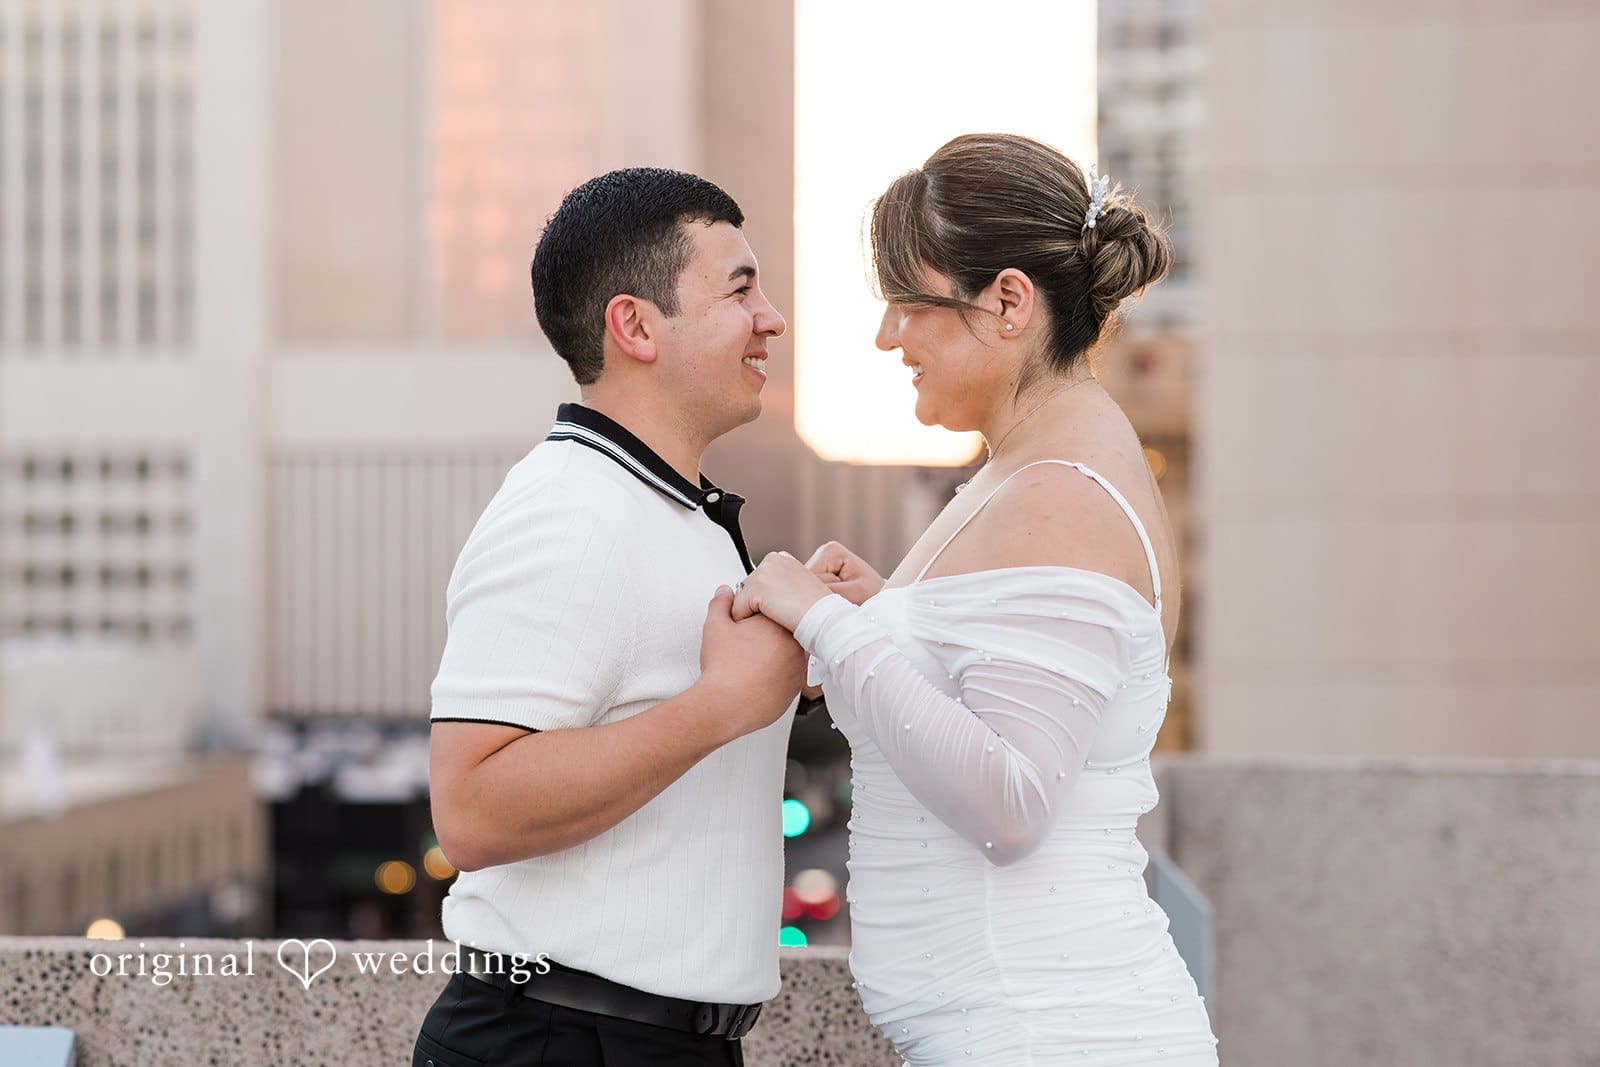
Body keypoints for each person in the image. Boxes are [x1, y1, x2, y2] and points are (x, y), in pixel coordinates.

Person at [731, 134, 1221, 1065]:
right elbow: (1007, 688)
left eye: (909, 302)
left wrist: (826, 621)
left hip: (1050, 1035)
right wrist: (889, 618)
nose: (888, 336)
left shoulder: (1059, 491)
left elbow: (1011, 798)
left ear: (1007, 301)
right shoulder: (1035, 467)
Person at [414, 167, 805, 1067]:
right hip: (558, 1040)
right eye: (740, 289)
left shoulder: (668, 505)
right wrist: (718, 706)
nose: (771, 318)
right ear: (634, 326)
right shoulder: (567, 510)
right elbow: (469, 806)